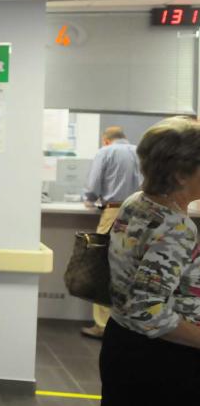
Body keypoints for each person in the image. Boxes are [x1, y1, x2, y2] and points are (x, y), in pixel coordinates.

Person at [86, 117, 200, 406]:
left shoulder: (136, 203)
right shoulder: (176, 227)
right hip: (161, 362)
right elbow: (149, 312)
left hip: (123, 344)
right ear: (180, 174)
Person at [80, 126, 142, 339]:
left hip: (114, 212)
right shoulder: (141, 151)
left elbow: (93, 186)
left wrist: (88, 199)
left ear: (106, 140)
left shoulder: (105, 152)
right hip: (142, 213)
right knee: (133, 267)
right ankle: (127, 324)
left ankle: (103, 324)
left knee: (104, 266)